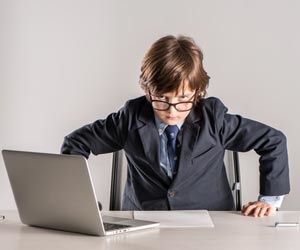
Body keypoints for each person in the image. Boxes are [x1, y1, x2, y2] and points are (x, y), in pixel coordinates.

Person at [61, 35, 290, 217]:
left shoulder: (213, 118)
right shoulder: (130, 117)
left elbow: (273, 140)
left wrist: (269, 200)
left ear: (198, 92)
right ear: (147, 90)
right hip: (143, 220)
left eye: (183, 100)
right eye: (162, 99)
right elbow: (76, 142)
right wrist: (79, 198)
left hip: (212, 222)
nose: (171, 110)